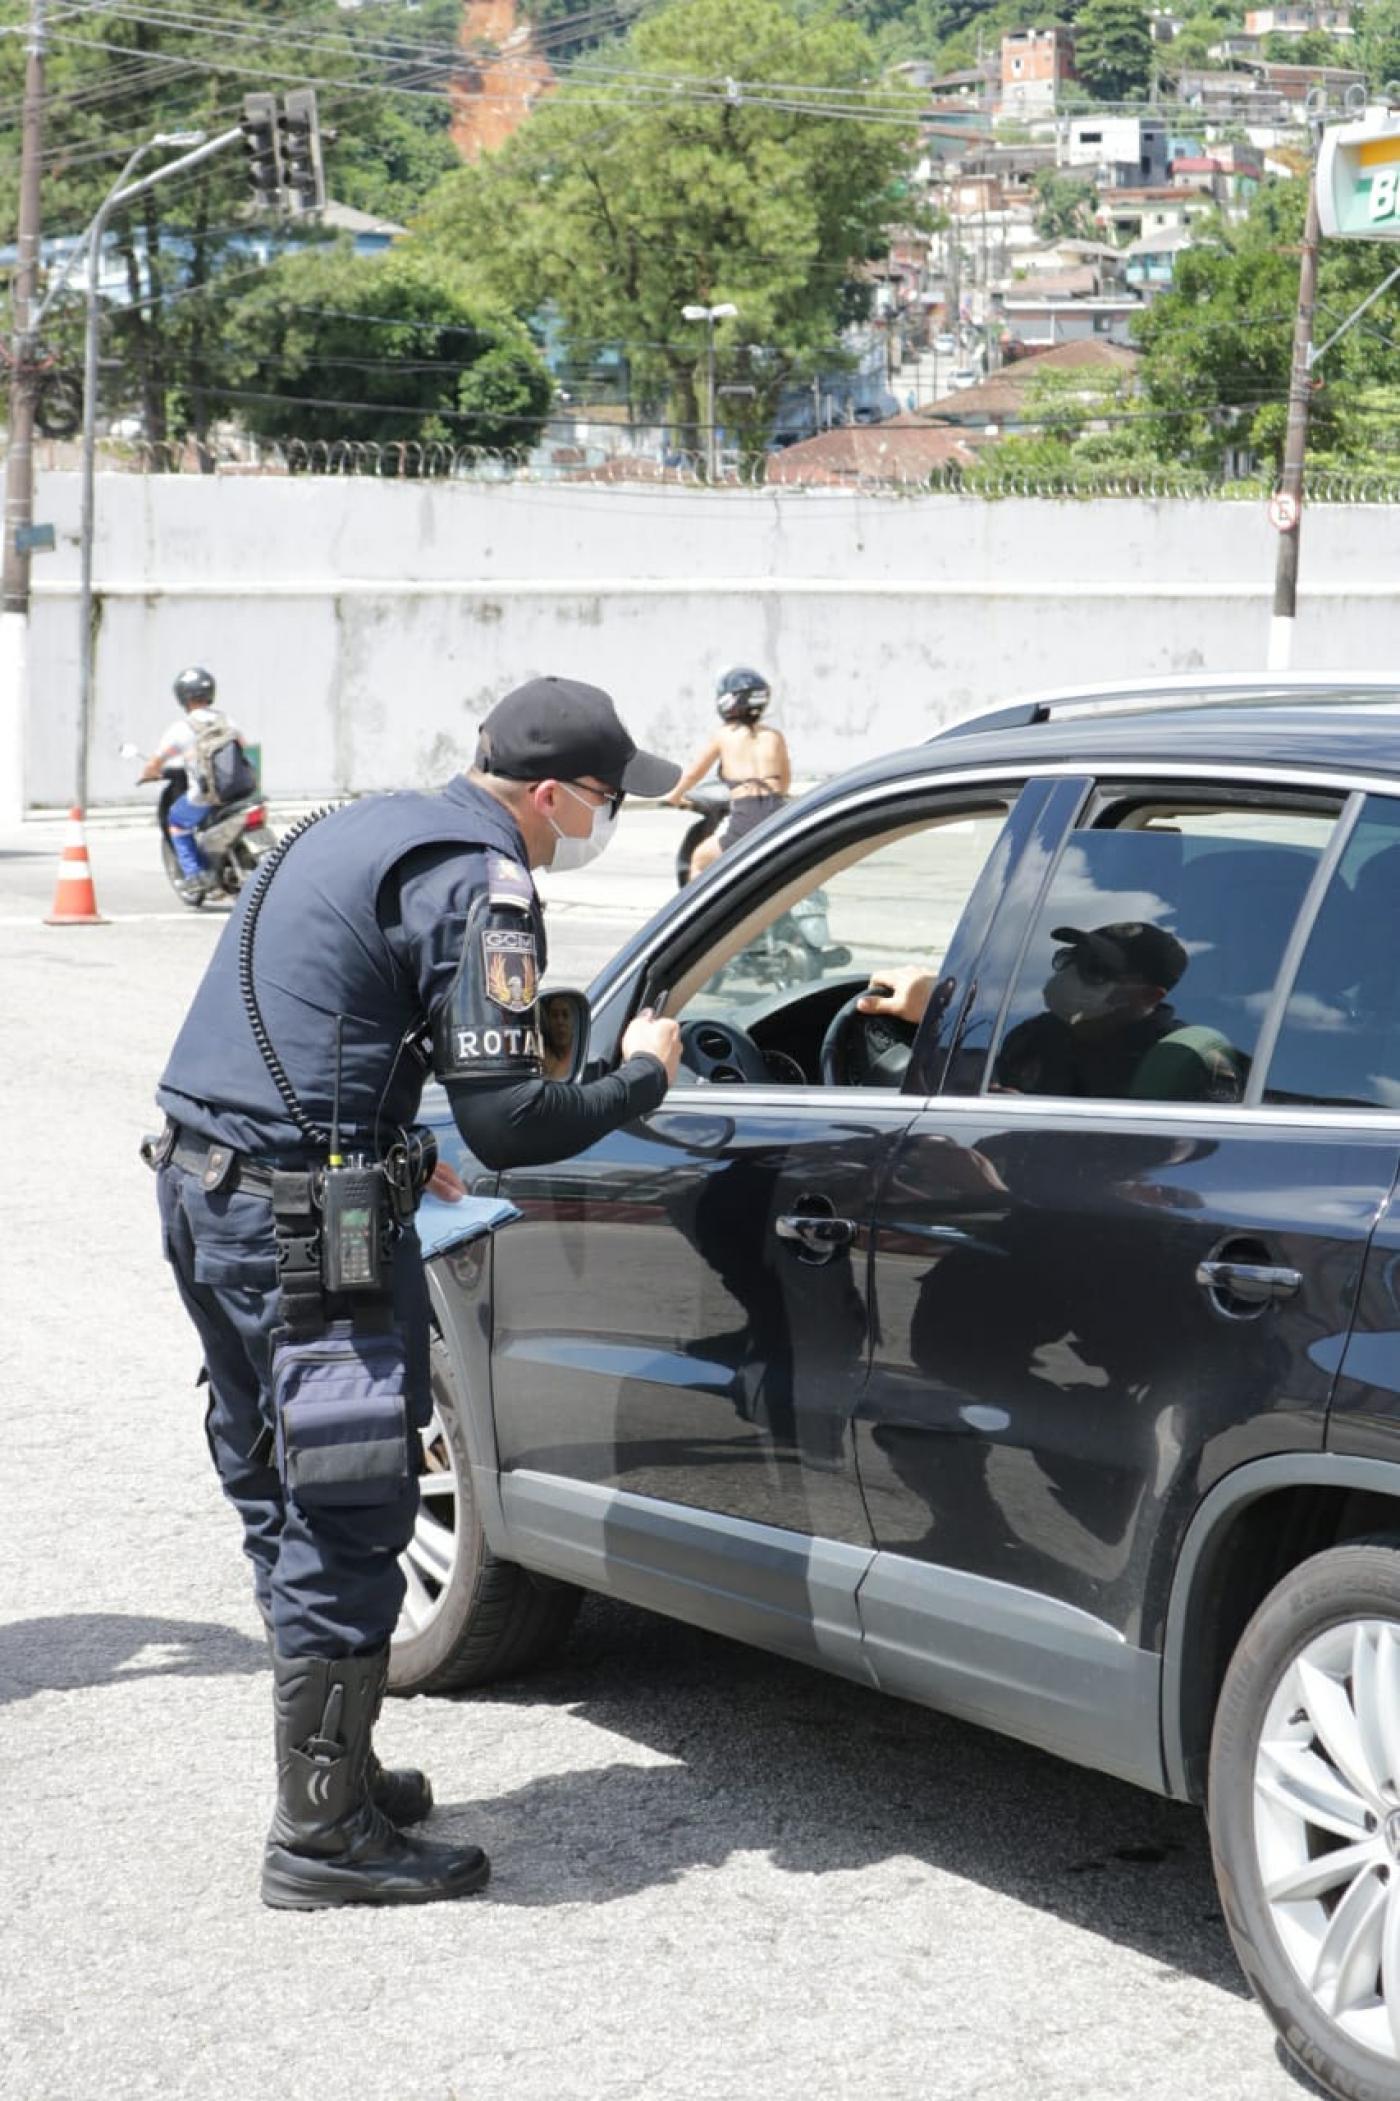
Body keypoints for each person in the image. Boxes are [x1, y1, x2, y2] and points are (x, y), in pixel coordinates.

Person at [149, 675, 682, 1912]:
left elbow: (317, 1022)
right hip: (303, 1226)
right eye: (604, 801)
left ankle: (336, 1773)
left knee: (281, 1479)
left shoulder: (368, 822)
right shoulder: (485, 882)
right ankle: (320, 1836)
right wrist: (642, 1079)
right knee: (346, 1498)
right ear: (550, 793)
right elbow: (513, 1116)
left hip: (204, 1185)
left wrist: (393, 1142)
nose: (602, 822)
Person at [858, 922, 1240, 1101]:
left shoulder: (1177, 1061)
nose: (1071, 975)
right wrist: (944, 1014)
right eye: (1070, 959)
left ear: (1146, 997)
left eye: (1095, 970)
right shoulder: (1036, 1033)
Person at [665, 667, 792, 880]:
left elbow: (693, 775)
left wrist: (674, 798)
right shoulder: (774, 736)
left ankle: (702, 912)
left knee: (699, 860)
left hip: (747, 814)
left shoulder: (723, 736)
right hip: (777, 812)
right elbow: (785, 781)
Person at [138, 666, 255, 894]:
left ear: (183, 697)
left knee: (176, 821)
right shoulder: (227, 720)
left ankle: (194, 875)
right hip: (241, 792)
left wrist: (148, 773)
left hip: (206, 797)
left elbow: (157, 760)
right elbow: (246, 750)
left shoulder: (181, 729)